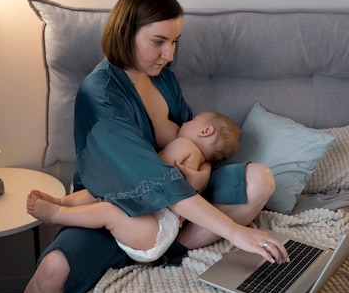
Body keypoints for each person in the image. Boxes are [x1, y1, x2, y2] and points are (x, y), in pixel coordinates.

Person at [22, 0, 289, 293]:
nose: (170, 55)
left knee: (260, 179)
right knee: (53, 269)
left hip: (174, 204)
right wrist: (237, 234)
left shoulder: (164, 79)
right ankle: (155, 245)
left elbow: (196, 141)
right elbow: (152, 180)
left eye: (174, 41)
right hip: (118, 204)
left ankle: (167, 245)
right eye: (159, 42)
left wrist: (203, 175)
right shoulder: (100, 94)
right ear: (126, 32)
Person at [26, 111, 241, 263]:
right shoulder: (201, 166)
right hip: (156, 227)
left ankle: (58, 213)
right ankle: (61, 201)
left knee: (107, 207)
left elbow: (151, 172)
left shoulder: (185, 146)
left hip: (155, 229)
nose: (185, 121)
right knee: (104, 196)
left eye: (192, 120)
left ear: (205, 131)